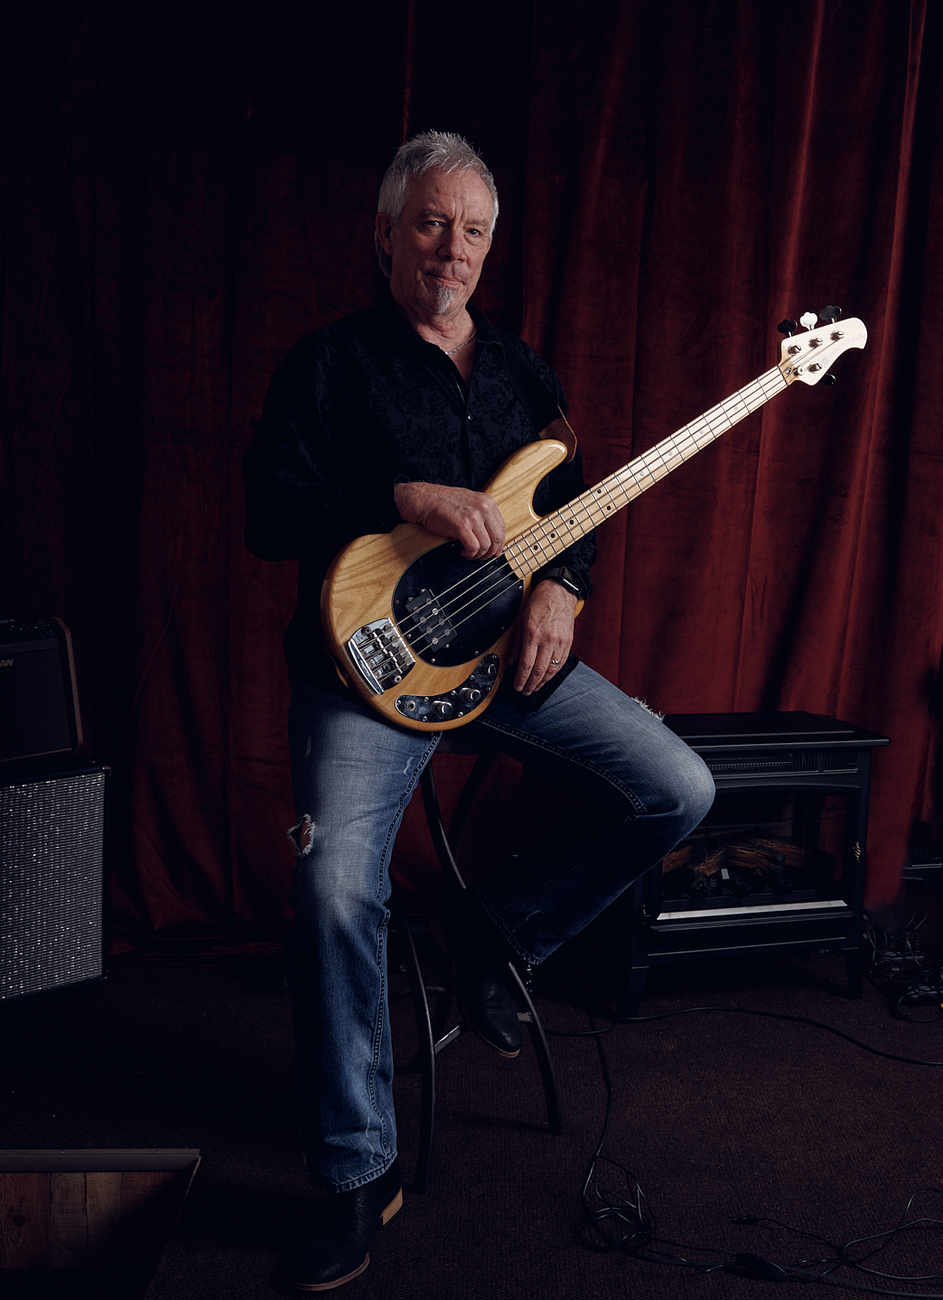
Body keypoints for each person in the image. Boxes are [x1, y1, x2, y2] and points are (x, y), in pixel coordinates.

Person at [244, 130, 715, 1291]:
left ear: (488, 247)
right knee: (334, 889)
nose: (450, 248)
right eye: (429, 223)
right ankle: (355, 1172)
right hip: (362, 677)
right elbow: (268, 509)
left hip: (499, 664)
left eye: (471, 231)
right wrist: (397, 493)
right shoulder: (328, 363)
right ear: (385, 233)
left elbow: (571, 506)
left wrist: (564, 586)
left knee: (676, 785)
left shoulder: (520, 372)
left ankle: (499, 929)